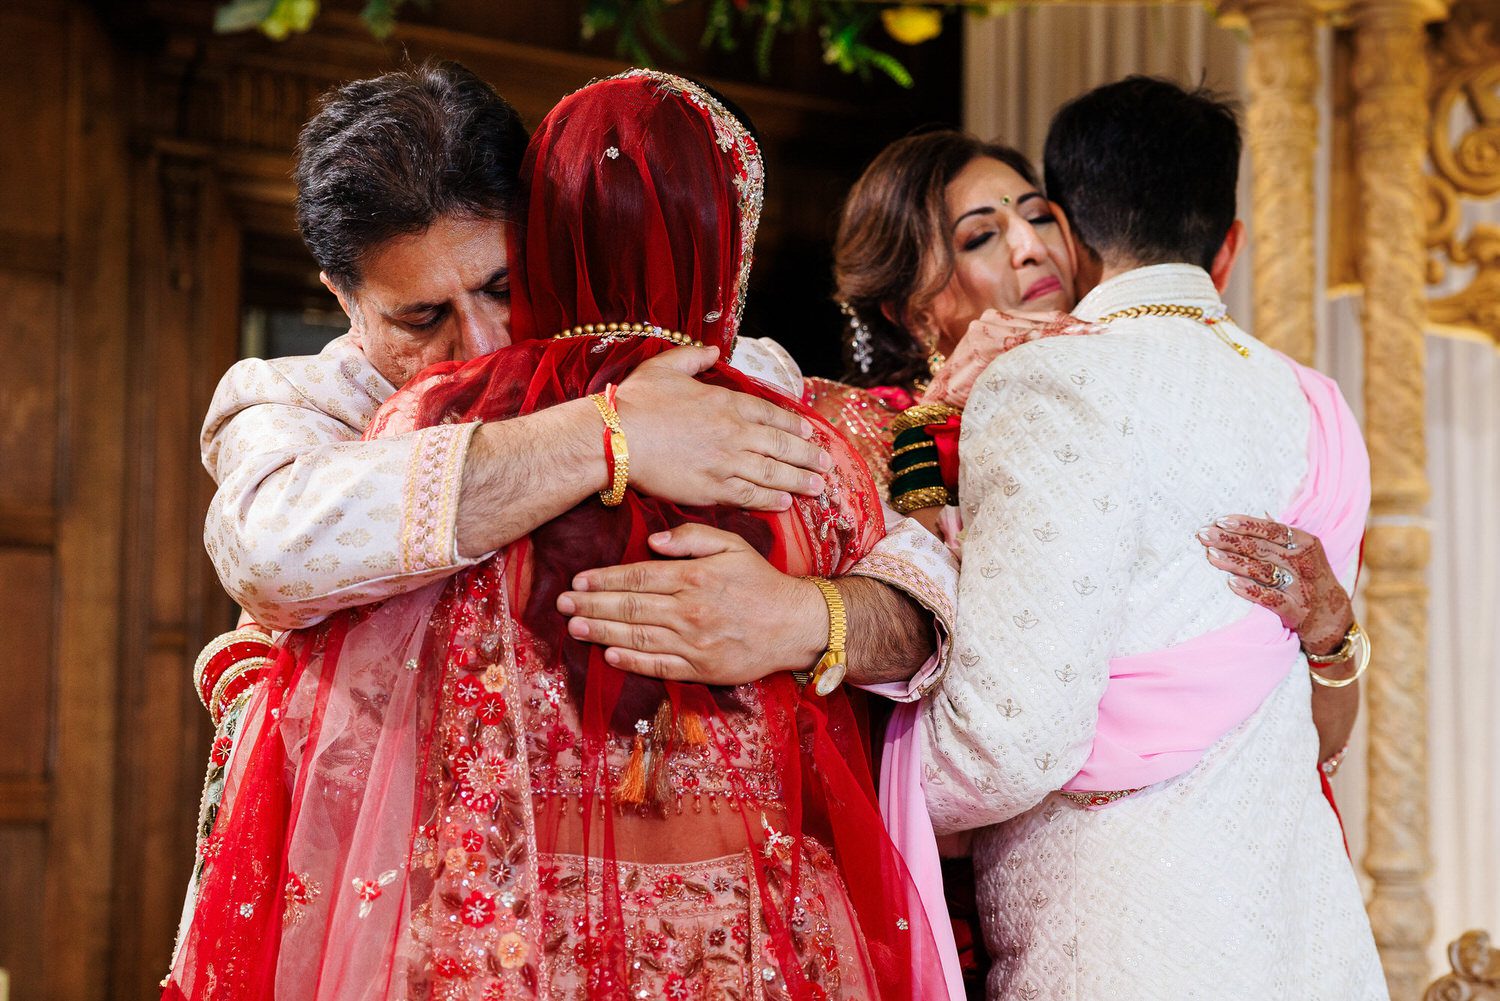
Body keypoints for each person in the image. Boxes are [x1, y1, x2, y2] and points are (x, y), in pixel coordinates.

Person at [165, 70, 949, 1001]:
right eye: (421, 316)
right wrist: (610, 435)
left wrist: (806, 618)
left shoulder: (716, 364)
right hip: (437, 934)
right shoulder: (302, 403)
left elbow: (922, 577)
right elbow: (274, 551)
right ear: (341, 295)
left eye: (504, 283)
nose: (482, 339)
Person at [917, 77, 1384, 999]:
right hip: (1310, 935)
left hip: (1121, 938)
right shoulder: (1314, 407)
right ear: (1229, 242)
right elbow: (1310, 723)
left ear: (1069, 232)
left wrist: (853, 782)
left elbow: (1011, 743)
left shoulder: (1048, 384)